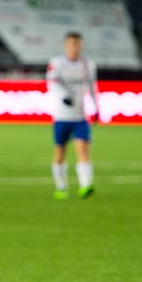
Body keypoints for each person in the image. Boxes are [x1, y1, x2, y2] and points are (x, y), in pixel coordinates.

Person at [46, 31, 99, 199]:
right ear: (65, 45)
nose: (73, 48)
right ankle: (61, 186)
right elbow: (52, 83)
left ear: (81, 46)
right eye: (70, 44)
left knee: (82, 148)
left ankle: (86, 185)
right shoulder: (56, 63)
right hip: (61, 115)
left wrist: (96, 108)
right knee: (60, 151)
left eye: (76, 44)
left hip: (79, 116)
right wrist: (65, 97)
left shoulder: (88, 64)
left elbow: (92, 86)